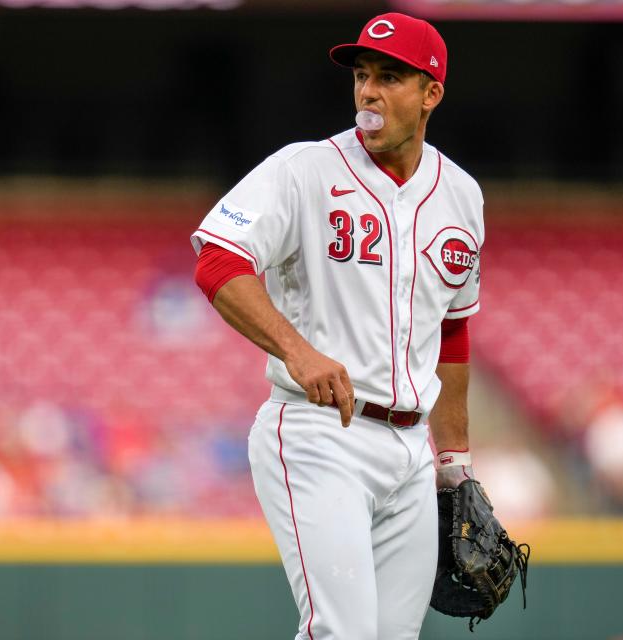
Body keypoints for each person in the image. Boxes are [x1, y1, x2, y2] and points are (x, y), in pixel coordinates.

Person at [191, 13, 483, 640]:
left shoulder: (461, 194)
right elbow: (218, 262)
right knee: (341, 632)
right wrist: (297, 352)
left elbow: (453, 331)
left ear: (431, 92)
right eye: (361, 75)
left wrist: (453, 459)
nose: (368, 91)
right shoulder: (304, 170)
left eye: (389, 76)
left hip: (411, 453)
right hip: (319, 433)